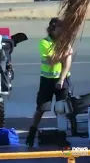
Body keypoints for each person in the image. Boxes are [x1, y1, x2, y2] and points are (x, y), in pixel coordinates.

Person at [26, 17, 73, 147]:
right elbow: (52, 60)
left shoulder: (65, 42)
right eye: (59, 28)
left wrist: (62, 79)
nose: (62, 31)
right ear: (52, 29)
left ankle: (62, 136)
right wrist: (66, 53)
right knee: (41, 108)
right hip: (47, 80)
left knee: (61, 109)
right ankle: (31, 133)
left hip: (62, 80)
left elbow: (67, 63)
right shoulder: (44, 43)